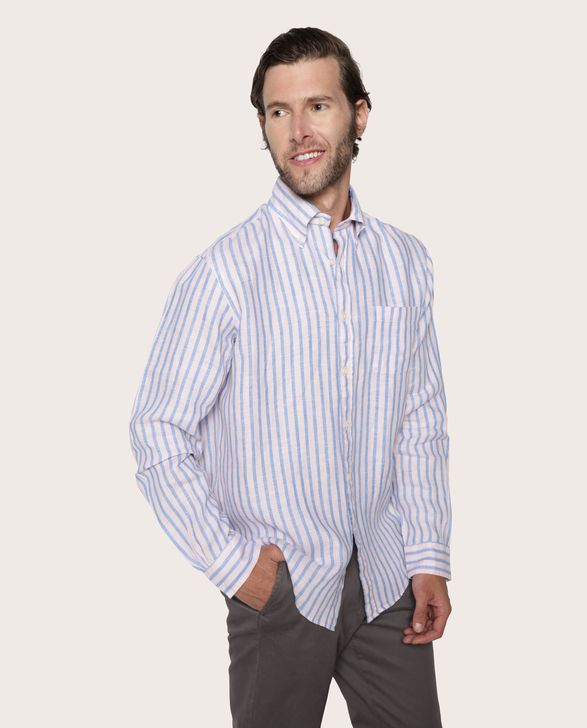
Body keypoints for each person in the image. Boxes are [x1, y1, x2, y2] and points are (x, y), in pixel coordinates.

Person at [129, 26, 453, 728]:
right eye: (279, 112)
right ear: (264, 126)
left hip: (387, 579)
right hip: (282, 590)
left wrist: (427, 554)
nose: (299, 131)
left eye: (318, 106)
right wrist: (237, 568)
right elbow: (157, 431)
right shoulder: (225, 273)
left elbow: (420, 418)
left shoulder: (405, 261)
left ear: (359, 115)